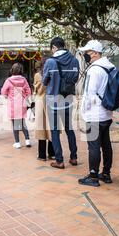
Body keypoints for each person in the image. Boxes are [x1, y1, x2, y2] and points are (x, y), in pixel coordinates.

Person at [78, 40, 116, 187]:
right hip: (106, 112)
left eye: (86, 53)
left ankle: (93, 176)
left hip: (94, 114)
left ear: (94, 53)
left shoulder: (94, 70)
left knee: (93, 146)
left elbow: (89, 93)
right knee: (106, 144)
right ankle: (106, 174)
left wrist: (83, 111)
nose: (84, 55)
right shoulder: (110, 67)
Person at [42, 37, 79, 169]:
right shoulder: (75, 60)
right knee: (69, 128)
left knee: (55, 131)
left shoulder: (50, 62)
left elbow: (44, 81)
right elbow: (75, 79)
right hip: (68, 98)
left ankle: (59, 160)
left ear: (54, 47)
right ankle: (74, 157)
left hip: (53, 100)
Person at [1, 63, 32, 149]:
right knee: (22, 123)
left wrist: (7, 95)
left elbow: (3, 92)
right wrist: (25, 97)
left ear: (12, 70)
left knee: (15, 124)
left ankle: (17, 142)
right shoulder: (24, 80)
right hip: (22, 104)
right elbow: (28, 91)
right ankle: (27, 140)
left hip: (13, 105)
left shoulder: (8, 80)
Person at [33, 59, 55, 161]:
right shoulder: (54, 73)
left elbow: (37, 89)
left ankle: (42, 155)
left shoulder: (38, 75)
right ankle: (52, 153)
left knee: (41, 127)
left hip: (41, 101)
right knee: (51, 127)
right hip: (52, 100)